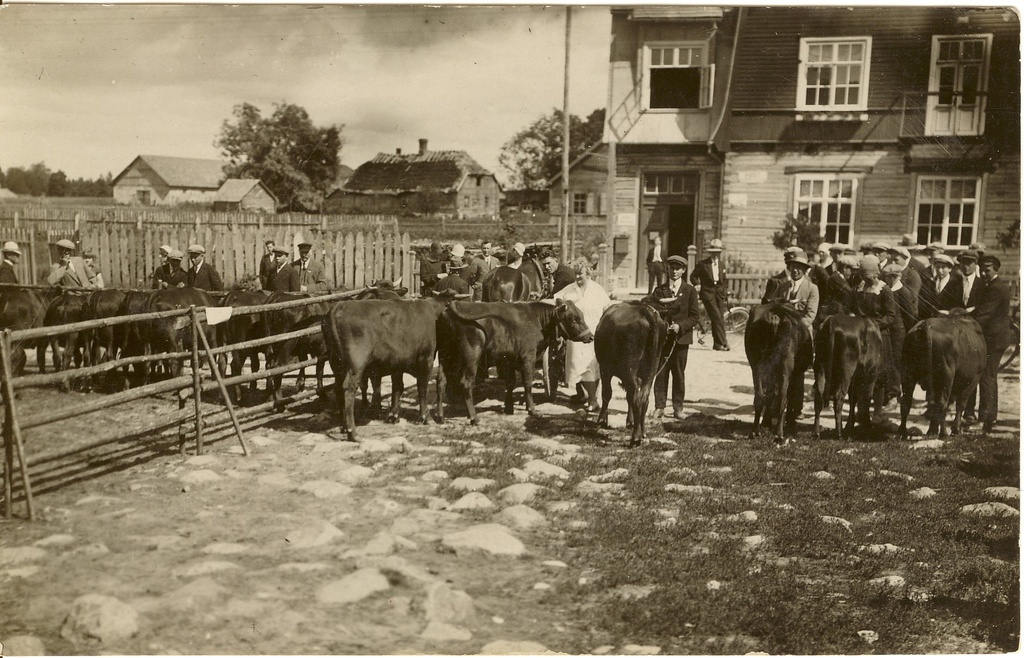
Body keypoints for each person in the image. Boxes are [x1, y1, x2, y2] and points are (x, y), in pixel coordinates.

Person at [554, 258, 612, 413]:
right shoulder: (570, 290)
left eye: (580, 274)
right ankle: (588, 397)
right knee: (578, 366)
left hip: (595, 333)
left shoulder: (597, 290)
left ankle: (592, 398)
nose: (578, 277)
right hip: (577, 336)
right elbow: (556, 301)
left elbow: (608, 309)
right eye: (576, 274)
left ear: (588, 274)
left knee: (594, 367)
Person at [848, 255, 900, 419]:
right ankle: (861, 411)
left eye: (868, 276)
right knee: (860, 373)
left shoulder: (884, 290)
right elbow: (852, 308)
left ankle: (877, 410)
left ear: (875, 274)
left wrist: (875, 325)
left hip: (879, 336)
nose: (866, 279)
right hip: (861, 335)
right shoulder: (859, 289)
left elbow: (891, 316)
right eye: (863, 276)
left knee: (879, 374)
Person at [651, 255, 700, 419]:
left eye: (678, 268)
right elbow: (652, 312)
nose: (674, 271)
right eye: (672, 268)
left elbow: (694, 316)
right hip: (663, 340)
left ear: (684, 271)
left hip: (681, 340)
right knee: (661, 372)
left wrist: (680, 326)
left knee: (678, 373)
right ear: (667, 269)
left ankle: (678, 408)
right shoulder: (659, 290)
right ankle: (659, 406)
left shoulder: (690, 291)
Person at [971, 255, 1013, 433]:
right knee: (990, 377)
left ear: (996, 269)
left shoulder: (997, 288)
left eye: (987, 269)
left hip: (994, 340)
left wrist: (964, 320)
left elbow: (985, 313)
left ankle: (984, 420)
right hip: (994, 338)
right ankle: (991, 418)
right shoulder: (991, 285)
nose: (983, 272)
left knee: (986, 377)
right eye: (981, 269)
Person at [690, 238, 730, 351]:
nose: (716, 255)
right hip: (708, 294)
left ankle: (717, 344)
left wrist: (725, 291)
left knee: (719, 318)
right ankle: (724, 342)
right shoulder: (703, 264)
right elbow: (693, 276)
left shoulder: (722, 265)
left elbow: (724, 280)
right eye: (714, 252)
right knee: (717, 317)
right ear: (710, 253)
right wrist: (697, 284)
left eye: (718, 252)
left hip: (719, 294)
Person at [770, 250, 819, 333]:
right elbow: (772, 306)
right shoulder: (782, 286)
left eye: (799, 267)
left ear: (804, 270)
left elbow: (810, 315)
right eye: (793, 267)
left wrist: (795, 327)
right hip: (781, 329)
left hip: (802, 330)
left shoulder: (812, 288)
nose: (795, 270)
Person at [920, 253, 958, 318]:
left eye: (943, 267)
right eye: (938, 267)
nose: (940, 270)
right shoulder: (929, 283)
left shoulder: (955, 284)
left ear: (950, 269)